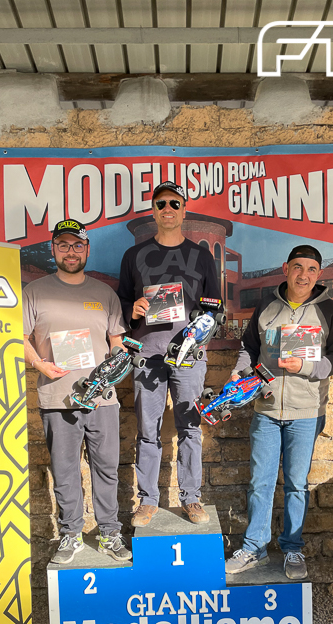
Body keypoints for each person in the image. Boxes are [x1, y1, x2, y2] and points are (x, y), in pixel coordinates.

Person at [225, 244, 333, 580]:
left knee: (296, 484)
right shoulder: (267, 305)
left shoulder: (329, 310)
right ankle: (254, 547)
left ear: (319, 274)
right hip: (266, 406)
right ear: (285, 269)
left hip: (306, 411)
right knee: (260, 482)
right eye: (298, 267)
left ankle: (293, 548)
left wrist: (306, 366)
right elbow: (250, 347)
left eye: (311, 269)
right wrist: (239, 371)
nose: (304, 275)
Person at [23, 218, 131, 565]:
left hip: (102, 399)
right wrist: (39, 365)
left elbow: (116, 342)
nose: (71, 252)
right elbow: (19, 338)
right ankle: (71, 534)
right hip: (58, 398)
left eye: (77, 245)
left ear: (87, 249)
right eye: (64, 245)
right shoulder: (35, 291)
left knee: (106, 469)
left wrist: (117, 364)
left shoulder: (105, 294)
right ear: (53, 249)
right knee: (65, 470)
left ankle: (109, 532)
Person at [118, 181, 222, 527]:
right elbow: (120, 303)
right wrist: (132, 309)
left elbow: (214, 307)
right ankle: (148, 501)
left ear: (184, 210)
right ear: (153, 211)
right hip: (147, 355)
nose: (167, 209)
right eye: (161, 203)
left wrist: (201, 335)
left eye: (174, 204)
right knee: (148, 429)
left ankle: (191, 498)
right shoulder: (133, 256)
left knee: (190, 427)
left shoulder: (202, 256)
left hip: (188, 357)